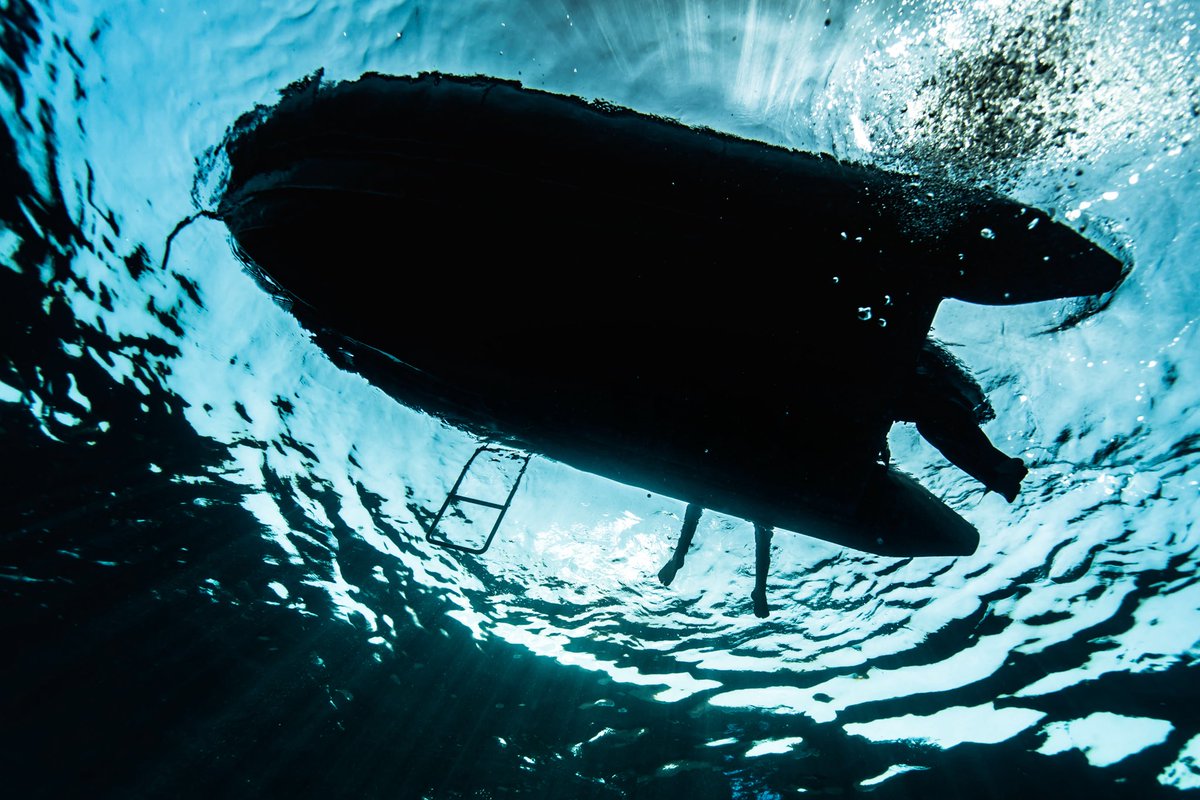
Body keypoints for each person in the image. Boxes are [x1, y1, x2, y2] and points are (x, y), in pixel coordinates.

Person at [891, 340, 1028, 502]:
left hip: (947, 402)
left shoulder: (934, 388)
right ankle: (998, 474)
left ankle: (998, 471)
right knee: (932, 425)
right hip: (946, 404)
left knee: (934, 422)